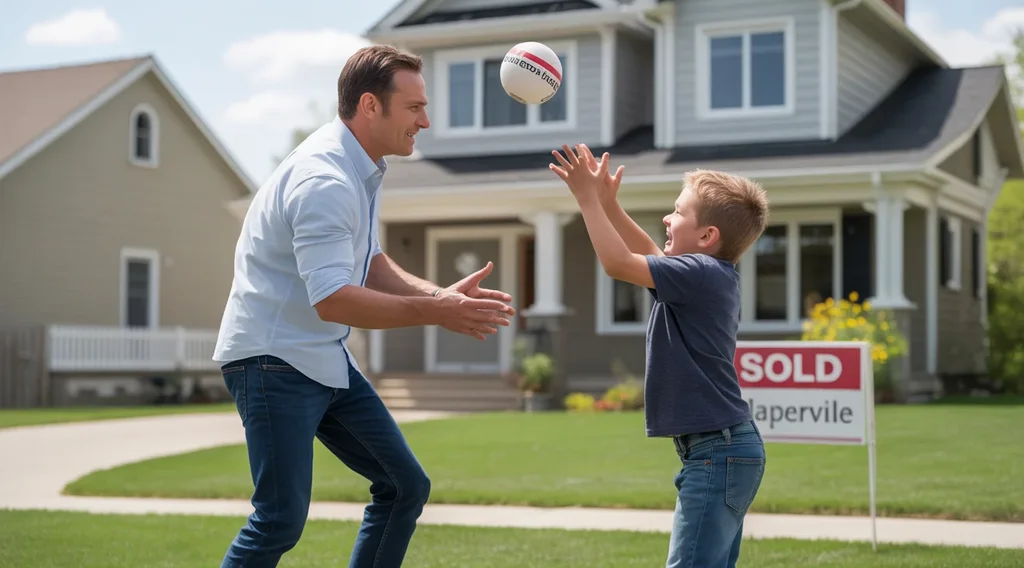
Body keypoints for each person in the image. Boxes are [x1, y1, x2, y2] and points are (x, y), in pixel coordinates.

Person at [212, 44, 516, 568]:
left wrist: (436, 295)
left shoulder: (361, 168)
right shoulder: (324, 179)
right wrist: (436, 313)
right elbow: (332, 299)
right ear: (371, 106)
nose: (425, 120)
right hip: (272, 360)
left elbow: (368, 260)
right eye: (414, 107)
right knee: (279, 519)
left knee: (403, 487)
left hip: (321, 357)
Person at [548, 144, 769, 568]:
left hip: (717, 451)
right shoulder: (700, 275)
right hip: (720, 449)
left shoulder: (699, 274)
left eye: (678, 212)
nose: (668, 218)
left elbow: (616, 263)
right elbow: (648, 251)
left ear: (707, 237)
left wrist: (587, 200)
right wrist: (611, 206)